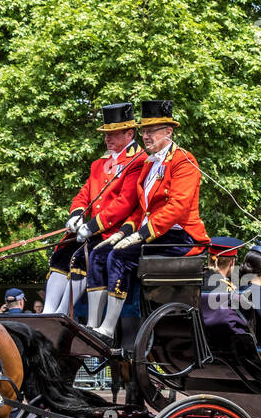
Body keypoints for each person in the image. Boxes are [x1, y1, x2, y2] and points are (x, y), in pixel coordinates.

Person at [86, 100, 209, 339]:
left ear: (168, 132)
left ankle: (109, 329)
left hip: (180, 235)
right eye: (143, 131)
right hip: (154, 232)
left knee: (119, 257)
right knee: (99, 254)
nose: (146, 136)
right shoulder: (149, 163)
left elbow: (178, 207)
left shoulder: (184, 161)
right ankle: (92, 324)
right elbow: (140, 210)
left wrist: (141, 235)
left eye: (151, 131)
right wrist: (124, 232)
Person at [43, 102, 147, 316]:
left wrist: (92, 226)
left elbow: (125, 202)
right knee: (62, 252)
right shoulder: (100, 164)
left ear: (129, 134)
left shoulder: (139, 161)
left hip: (115, 231)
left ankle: (62, 313)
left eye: (113, 133)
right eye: (106, 134)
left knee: (80, 258)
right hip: (91, 230)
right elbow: (84, 193)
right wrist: (76, 215)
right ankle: (48, 311)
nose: (107, 138)